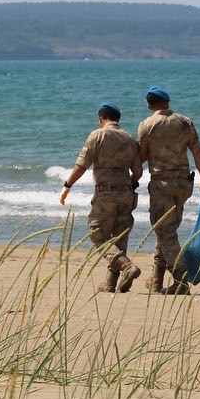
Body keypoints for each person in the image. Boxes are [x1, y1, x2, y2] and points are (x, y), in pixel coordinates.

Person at [60, 103, 143, 293]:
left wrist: (67, 185)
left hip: (105, 193)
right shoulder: (129, 139)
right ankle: (111, 282)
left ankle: (127, 267)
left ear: (100, 119)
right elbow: (137, 172)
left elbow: (82, 165)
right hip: (126, 192)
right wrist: (127, 184)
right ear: (118, 119)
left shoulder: (97, 135)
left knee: (97, 233)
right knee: (119, 235)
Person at [136, 86, 200, 295]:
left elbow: (141, 157)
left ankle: (180, 279)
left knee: (164, 231)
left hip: (163, 184)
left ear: (149, 105)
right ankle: (156, 280)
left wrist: (131, 173)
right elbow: (197, 152)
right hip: (184, 184)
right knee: (168, 229)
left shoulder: (146, 125)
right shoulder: (184, 122)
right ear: (167, 103)